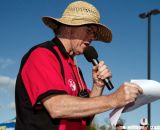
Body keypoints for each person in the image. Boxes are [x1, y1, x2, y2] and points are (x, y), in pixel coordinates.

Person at [15, 1, 143, 130]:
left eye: (94, 33)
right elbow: (56, 107)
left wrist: (98, 86)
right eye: (89, 30)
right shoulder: (42, 55)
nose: (92, 37)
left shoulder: (75, 68)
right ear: (68, 28)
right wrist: (114, 99)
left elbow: (86, 117)